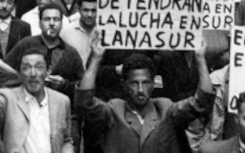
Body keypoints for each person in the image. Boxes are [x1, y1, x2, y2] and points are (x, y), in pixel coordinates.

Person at [75, 31, 214, 153]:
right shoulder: (114, 110)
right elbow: (84, 103)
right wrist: (96, 59)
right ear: (124, 85)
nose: (140, 90)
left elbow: (202, 102)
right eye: (134, 83)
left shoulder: (166, 109)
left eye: (146, 83)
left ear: (154, 84)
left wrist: (200, 59)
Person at [0, 43, 75, 153]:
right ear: (19, 73)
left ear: (48, 71)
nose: (33, 74)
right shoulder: (8, 98)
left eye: (39, 67)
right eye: (26, 68)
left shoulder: (61, 101)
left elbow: (66, 140)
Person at [5, 3, 84, 99]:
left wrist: (64, 85)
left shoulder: (71, 53)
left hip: (56, 107)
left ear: (61, 24)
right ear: (39, 24)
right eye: (47, 19)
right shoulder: (26, 44)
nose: (51, 23)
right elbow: (4, 70)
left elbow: (81, 86)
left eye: (56, 19)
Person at [59, 0, 97, 67]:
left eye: (93, 11)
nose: (90, 15)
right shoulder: (66, 32)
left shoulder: (104, 31)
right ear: (79, 10)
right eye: (86, 10)